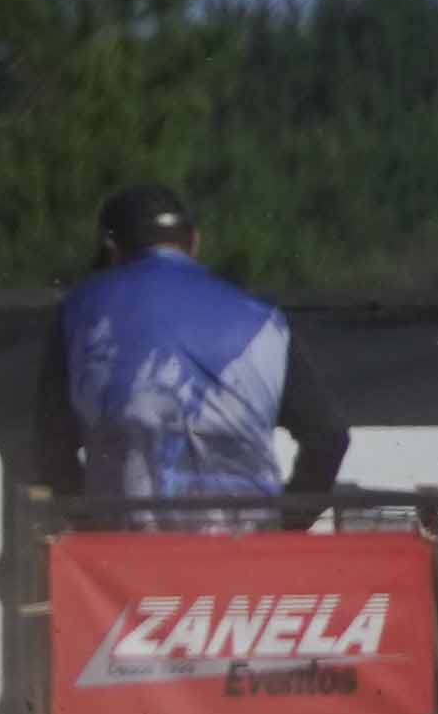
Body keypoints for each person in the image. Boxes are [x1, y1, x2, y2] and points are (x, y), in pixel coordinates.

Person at [61, 182, 348, 527]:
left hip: (125, 550)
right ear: (194, 242)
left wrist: (90, 528)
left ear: (111, 249)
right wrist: (285, 525)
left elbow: (50, 449)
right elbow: (329, 437)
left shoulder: (78, 312)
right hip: (246, 546)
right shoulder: (263, 320)